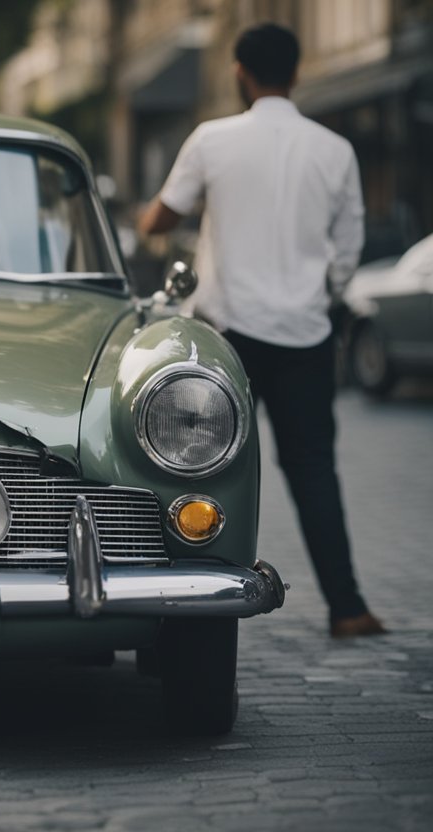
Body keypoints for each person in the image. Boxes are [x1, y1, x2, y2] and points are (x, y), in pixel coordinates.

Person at [137, 22, 385, 638]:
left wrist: (162, 218)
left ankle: (190, 606)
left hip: (229, 338)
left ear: (239, 72)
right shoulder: (335, 150)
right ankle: (348, 607)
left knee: (196, 468)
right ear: (296, 73)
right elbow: (347, 255)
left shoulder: (211, 139)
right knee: (313, 468)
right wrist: (314, 292)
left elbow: (157, 219)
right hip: (305, 334)